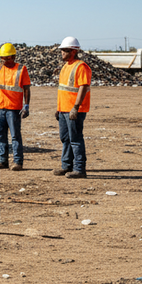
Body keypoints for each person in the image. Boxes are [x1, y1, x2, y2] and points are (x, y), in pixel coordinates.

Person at [54, 36, 91, 178]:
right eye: (62, 50)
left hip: (74, 110)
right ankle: (66, 166)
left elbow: (83, 87)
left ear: (74, 51)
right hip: (64, 109)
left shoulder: (81, 67)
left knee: (75, 139)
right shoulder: (65, 67)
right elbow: (63, 90)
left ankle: (80, 169)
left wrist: (75, 107)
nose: (62, 53)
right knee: (65, 139)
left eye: (65, 50)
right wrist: (58, 108)